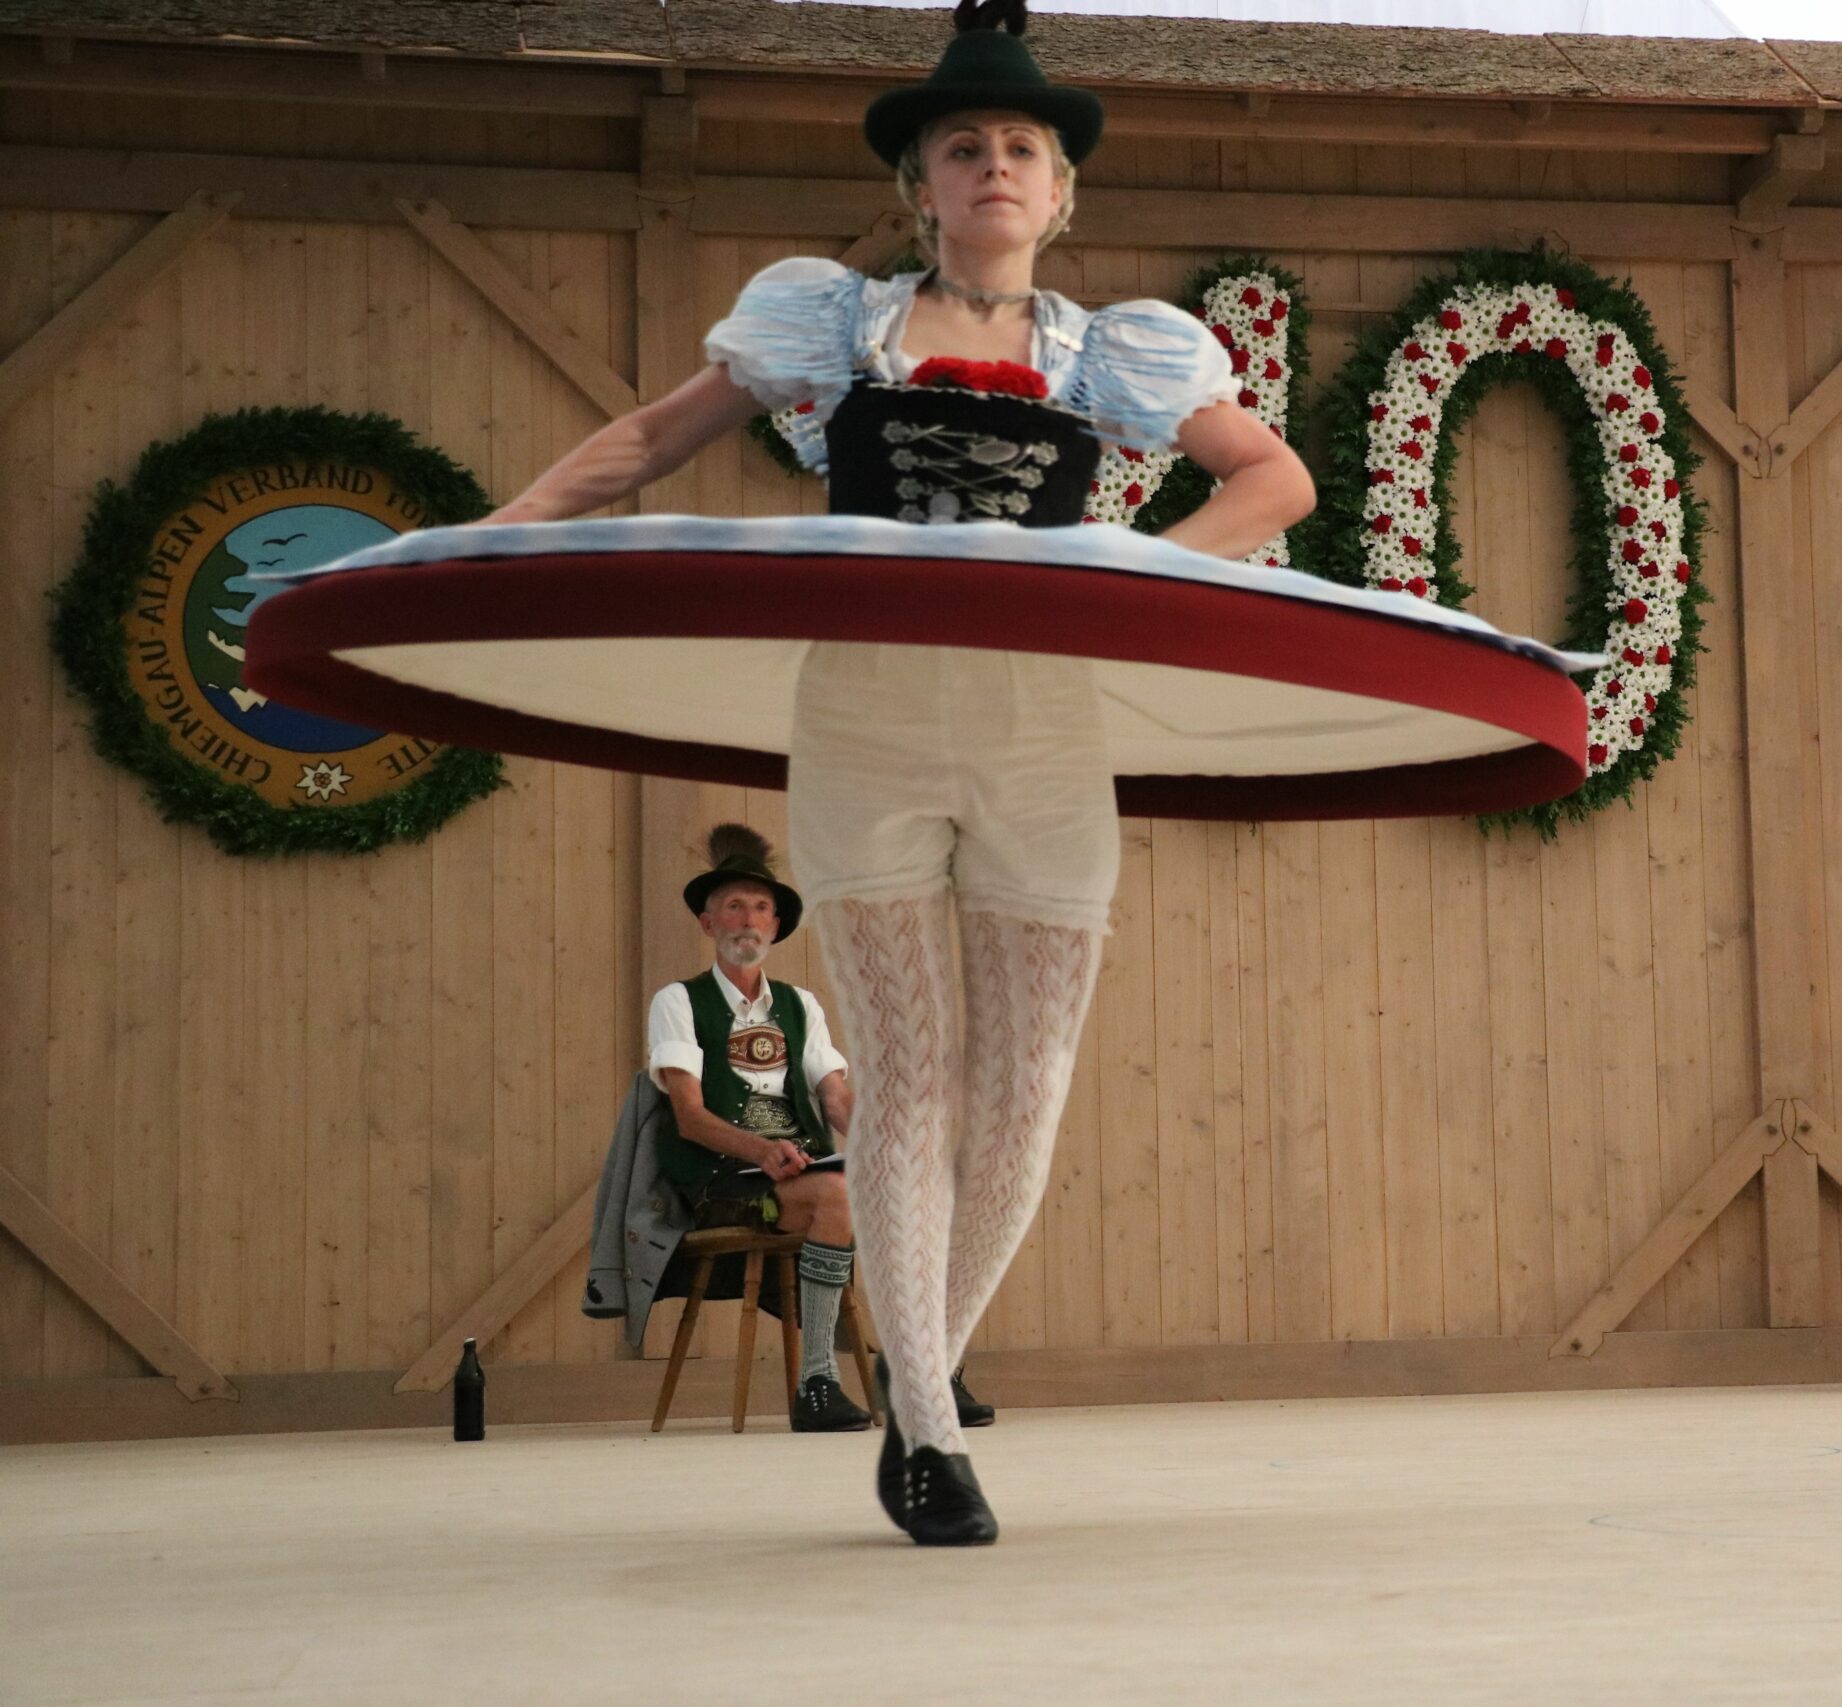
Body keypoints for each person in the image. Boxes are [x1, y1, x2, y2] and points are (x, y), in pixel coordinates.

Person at [483, 0, 1313, 1541]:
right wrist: (489, 539)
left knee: (1029, 1087)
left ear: (1061, 191)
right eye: (964, 146)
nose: (995, 165)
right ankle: (925, 1427)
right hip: (867, 712)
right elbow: (652, 438)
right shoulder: (837, 323)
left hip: (1042, 723)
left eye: (1023, 148)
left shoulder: (1109, 350)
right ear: (918, 187)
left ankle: (921, 1369)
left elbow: (1275, 478)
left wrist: (1127, 577)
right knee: (913, 1076)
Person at [645, 825, 866, 1433]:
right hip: (723, 1182)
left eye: (761, 907)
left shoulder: (801, 1005)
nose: (749, 918)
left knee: (921, 1189)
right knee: (838, 1195)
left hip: (804, 1170)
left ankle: (926, 1373)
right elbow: (689, 1117)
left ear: (776, 925)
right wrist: (761, 1150)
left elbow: (836, 1099)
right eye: (734, 906)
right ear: (707, 923)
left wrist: (890, 1146)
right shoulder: (678, 1002)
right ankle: (817, 1382)